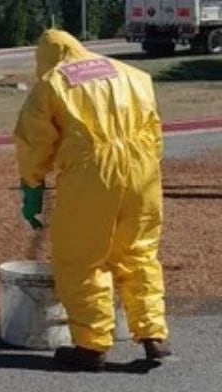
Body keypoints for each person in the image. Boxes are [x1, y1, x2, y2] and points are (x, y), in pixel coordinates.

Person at [14, 29, 172, 372]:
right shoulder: (131, 73)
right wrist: (144, 168)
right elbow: (154, 127)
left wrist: (32, 186)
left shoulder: (53, 83)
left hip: (92, 173)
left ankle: (91, 345)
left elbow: (33, 140)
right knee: (139, 251)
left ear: (45, 58)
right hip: (143, 169)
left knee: (82, 257)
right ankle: (153, 334)